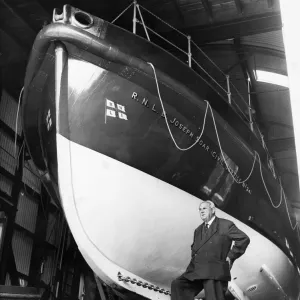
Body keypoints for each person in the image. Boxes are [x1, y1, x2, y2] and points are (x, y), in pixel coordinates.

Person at [171, 200, 250, 300]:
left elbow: (243, 239)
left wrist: (231, 256)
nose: (201, 211)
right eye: (200, 209)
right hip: (197, 270)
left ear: (213, 210)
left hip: (215, 270)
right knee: (178, 285)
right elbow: (195, 250)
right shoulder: (198, 230)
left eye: (204, 208)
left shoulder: (225, 225)